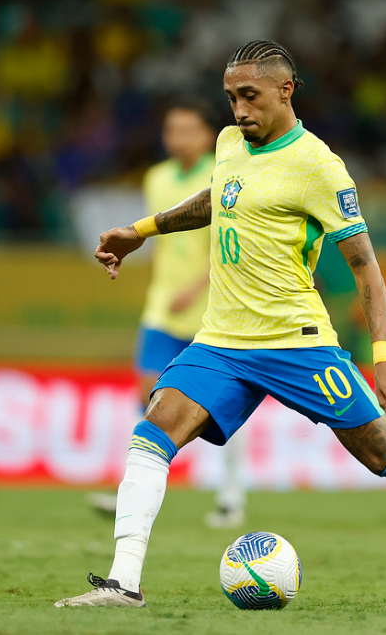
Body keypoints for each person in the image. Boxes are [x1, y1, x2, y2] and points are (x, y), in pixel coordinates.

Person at [55, 39, 386, 608]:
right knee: (153, 430)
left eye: (249, 96)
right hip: (222, 338)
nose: (238, 111)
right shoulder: (229, 142)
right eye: (230, 98)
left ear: (285, 90)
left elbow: (366, 269)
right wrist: (142, 230)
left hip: (297, 342)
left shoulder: (319, 166)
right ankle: (124, 584)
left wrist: (385, 357)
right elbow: (222, 197)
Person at [86, 100, 248, 529]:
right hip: (163, 306)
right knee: (146, 392)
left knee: (220, 405)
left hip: (212, 308)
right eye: (171, 130)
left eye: (188, 130)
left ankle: (231, 494)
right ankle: (133, 487)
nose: (178, 138)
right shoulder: (156, 178)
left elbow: (232, 240)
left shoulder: (227, 169)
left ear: (206, 135)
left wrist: (195, 287)